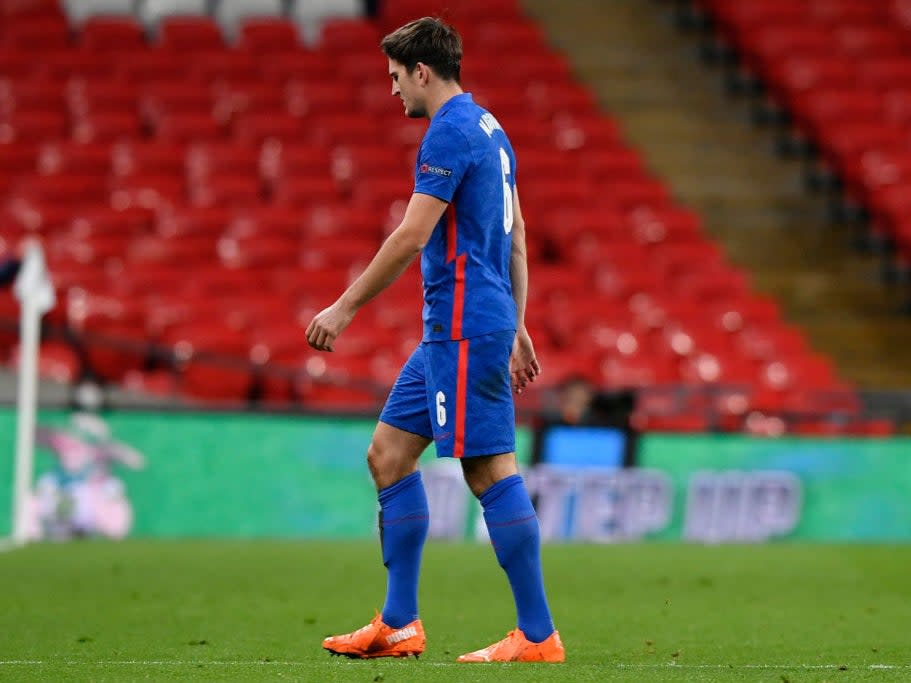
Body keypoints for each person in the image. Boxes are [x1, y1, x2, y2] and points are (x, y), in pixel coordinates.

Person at [306, 17, 564, 664]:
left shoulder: (448, 132)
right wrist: (518, 320)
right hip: (463, 326)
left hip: (463, 325)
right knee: (388, 454)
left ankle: (536, 634)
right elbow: (515, 234)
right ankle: (398, 622)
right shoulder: (490, 127)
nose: (393, 91)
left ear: (422, 71)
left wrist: (343, 308)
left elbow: (411, 236)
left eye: (396, 78)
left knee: (486, 468)